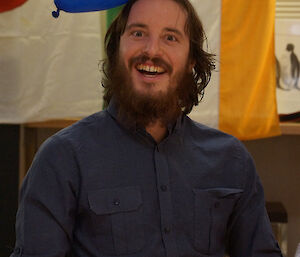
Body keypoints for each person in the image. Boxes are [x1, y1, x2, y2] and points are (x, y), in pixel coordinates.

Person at [11, 0, 283, 256]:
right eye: (138, 33)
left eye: (170, 37)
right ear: (117, 49)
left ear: (191, 61)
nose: (152, 50)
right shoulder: (61, 159)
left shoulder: (232, 160)